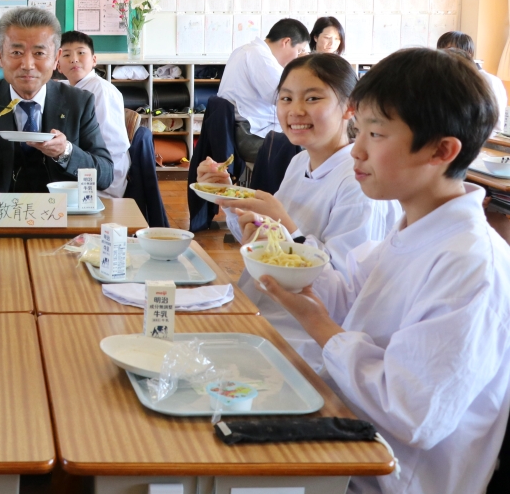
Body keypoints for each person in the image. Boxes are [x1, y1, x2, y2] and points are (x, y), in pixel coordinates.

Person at [257, 48, 510, 494]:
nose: (356, 149)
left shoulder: (469, 262)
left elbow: (413, 410)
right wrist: (285, 259)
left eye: (375, 133)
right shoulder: (413, 229)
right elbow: (349, 297)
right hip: (346, 436)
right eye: (360, 130)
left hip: (387, 477)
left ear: (441, 150)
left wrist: (319, 326)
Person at [199, 53, 399, 369]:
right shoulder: (299, 162)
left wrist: (286, 227)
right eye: (286, 98)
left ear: (350, 107)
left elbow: (345, 296)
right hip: (255, 308)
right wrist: (228, 197)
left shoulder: (360, 183)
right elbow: (261, 240)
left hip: (301, 340)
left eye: (313, 98)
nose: (295, 110)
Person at [0, 6, 114, 192]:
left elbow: (105, 176)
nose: (27, 65)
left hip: (59, 214)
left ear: (56, 58)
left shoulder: (79, 102)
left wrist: (65, 152)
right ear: (0, 56)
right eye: (16, 53)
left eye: (39, 53)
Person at [217, 18, 310, 163]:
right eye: (298, 51)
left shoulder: (246, 50)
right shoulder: (260, 56)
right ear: (286, 42)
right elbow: (282, 97)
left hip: (241, 130)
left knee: (306, 142)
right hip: (248, 135)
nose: (297, 57)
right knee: (310, 149)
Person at [58, 31, 130, 198]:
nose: (74, 59)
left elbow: (111, 147)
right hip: (84, 166)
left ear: (94, 60)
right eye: (66, 54)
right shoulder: (72, 87)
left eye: (81, 53)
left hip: (103, 180)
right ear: (58, 65)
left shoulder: (100, 90)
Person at [437, 31, 506, 133]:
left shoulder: (489, 80)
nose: (444, 56)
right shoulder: (446, 79)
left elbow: (497, 123)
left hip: (479, 139)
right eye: (441, 51)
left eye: (450, 51)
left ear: (468, 53)